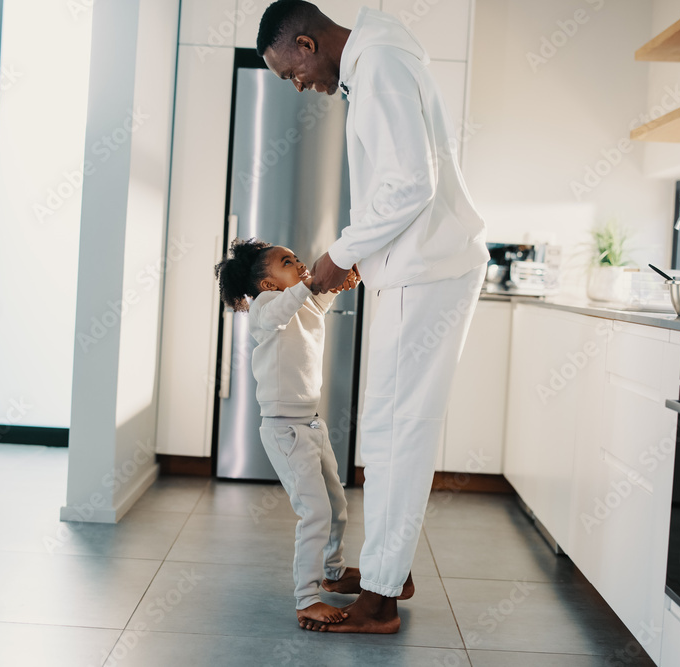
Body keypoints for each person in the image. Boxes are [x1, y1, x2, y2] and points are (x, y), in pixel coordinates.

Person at [257, 1, 490, 634]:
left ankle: (382, 597)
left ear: (306, 43)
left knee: (402, 430)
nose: (299, 86)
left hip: (430, 271)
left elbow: (410, 184)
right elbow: (405, 183)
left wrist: (340, 255)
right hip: (418, 269)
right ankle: (390, 569)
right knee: (385, 431)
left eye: (290, 73)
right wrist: (363, 254)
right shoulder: (376, 60)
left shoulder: (381, 63)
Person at [214, 237, 362, 628]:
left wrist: (334, 285)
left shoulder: (297, 302)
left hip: (311, 424)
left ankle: (332, 570)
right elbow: (285, 308)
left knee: (336, 505)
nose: (297, 263)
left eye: (296, 258)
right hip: (285, 431)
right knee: (315, 512)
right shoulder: (265, 308)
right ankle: (306, 598)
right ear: (268, 284)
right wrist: (311, 285)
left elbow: (314, 307)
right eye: (287, 262)